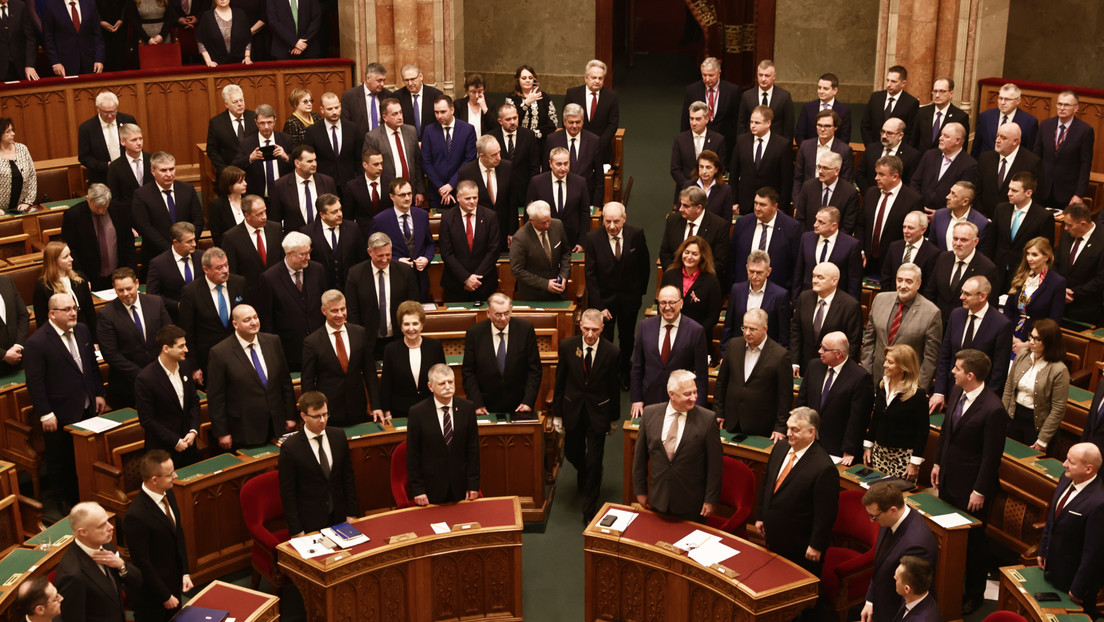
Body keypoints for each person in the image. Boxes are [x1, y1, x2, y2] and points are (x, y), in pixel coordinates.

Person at [931, 348, 1007, 614]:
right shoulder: (957, 393)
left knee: (973, 544)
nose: (952, 371)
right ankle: (947, 584)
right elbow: (947, 433)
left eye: (957, 368)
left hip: (973, 489)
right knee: (948, 537)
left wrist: (979, 490)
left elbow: (991, 456)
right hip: (949, 479)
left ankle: (974, 594)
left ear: (970, 375)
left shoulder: (994, 408)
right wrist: (938, 462)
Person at [25, 293, 106, 511]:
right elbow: (35, 382)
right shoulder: (37, 342)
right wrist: (45, 412)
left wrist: (98, 393)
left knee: (85, 455)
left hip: (87, 404)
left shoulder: (81, 330)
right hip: (59, 411)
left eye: (74, 308)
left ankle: (85, 493)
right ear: (52, 314)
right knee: (61, 458)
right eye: (67, 309)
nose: (73, 313)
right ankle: (63, 499)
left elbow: (91, 367)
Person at [756, 408, 839, 583]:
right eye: (788, 428)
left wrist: (816, 545)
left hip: (800, 545)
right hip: (774, 536)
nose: (788, 434)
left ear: (811, 432)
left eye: (795, 430)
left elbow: (825, 513)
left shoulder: (824, 467)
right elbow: (767, 485)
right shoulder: (780, 447)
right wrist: (761, 516)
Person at [554, 309, 620, 523]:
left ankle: (589, 510)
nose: (590, 334)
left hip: (598, 412)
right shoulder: (566, 346)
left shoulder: (612, 352)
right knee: (573, 452)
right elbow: (560, 382)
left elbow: (614, 388)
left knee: (594, 459)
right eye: (586, 329)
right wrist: (557, 414)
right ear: (580, 326)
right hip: (573, 410)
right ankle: (585, 470)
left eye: (595, 330)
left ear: (602, 328)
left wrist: (614, 418)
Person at [633, 370, 722, 522]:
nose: (694, 398)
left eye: (695, 392)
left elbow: (715, 464)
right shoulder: (650, 414)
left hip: (691, 504)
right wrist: (640, 491)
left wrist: (710, 499)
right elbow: (640, 457)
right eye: (687, 394)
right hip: (657, 499)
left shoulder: (707, 420)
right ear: (672, 394)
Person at [207, 304, 297, 449]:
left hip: (277, 424)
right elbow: (216, 398)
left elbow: (285, 382)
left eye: (255, 317)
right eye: (247, 320)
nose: (254, 322)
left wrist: (290, 415)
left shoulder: (273, 341)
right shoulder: (220, 352)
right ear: (235, 324)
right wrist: (222, 432)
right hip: (245, 429)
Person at [581, 201, 649, 388]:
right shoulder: (593, 238)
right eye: (608, 221)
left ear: (624, 219)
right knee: (605, 339)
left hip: (629, 299)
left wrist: (638, 294)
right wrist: (599, 305)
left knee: (627, 338)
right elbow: (591, 275)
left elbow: (644, 267)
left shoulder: (636, 234)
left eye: (616, 221)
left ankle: (624, 370)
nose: (612, 226)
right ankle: (607, 374)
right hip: (604, 301)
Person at [1038, 442, 1104, 619]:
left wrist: (1078, 588)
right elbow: (1052, 519)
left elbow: (1093, 553)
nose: (1064, 464)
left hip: (1074, 581)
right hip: (1052, 568)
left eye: (1071, 462)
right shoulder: (1065, 478)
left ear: (1089, 469)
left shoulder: (1099, 503)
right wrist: (1043, 549)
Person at [125, 450, 193, 622]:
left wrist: (185, 571)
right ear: (154, 480)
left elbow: (178, 533)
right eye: (170, 474)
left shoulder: (168, 493)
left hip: (173, 582)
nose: (175, 476)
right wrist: (164, 595)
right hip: (153, 596)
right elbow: (143, 562)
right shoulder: (136, 515)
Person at [279, 391, 359, 534]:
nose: (322, 420)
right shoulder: (291, 447)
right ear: (303, 416)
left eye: (325, 414)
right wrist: (296, 530)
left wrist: (352, 513)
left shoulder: (338, 436)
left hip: (340, 516)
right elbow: (288, 493)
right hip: (310, 523)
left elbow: (348, 477)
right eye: (316, 416)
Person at [860, 483, 939, 622]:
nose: (872, 521)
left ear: (893, 510)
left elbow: (911, 595)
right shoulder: (889, 519)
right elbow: (880, 566)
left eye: (874, 517)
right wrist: (870, 600)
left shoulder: (917, 545)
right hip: (881, 605)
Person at [931, 276, 1013, 409]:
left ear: (982, 296)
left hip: (979, 397)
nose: (961, 297)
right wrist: (939, 391)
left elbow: (999, 371)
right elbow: (945, 356)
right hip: (952, 391)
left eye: (967, 294)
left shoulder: (1001, 325)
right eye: (962, 292)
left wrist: (985, 403)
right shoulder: (956, 315)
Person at [301, 290, 380, 426]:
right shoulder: (312, 342)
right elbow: (307, 382)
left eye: (343, 309)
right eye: (334, 311)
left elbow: (370, 373)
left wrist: (376, 405)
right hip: (329, 412)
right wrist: (312, 414)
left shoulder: (359, 333)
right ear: (323, 311)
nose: (340, 314)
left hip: (358, 408)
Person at [407, 364, 481, 505]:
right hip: (431, 489)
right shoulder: (417, 412)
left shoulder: (467, 408)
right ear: (430, 386)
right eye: (442, 383)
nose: (447, 386)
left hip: (461, 487)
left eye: (450, 382)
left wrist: (473, 484)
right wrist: (417, 489)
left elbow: (473, 451)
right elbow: (413, 454)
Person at [860, 263, 942, 389]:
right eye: (900, 280)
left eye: (909, 281)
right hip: (875, 377)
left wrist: (918, 388)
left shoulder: (931, 312)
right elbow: (869, 341)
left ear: (918, 284)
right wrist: (866, 374)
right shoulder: (880, 300)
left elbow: (930, 358)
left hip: (907, 383)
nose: (903, 285)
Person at [55, 502, 141, 622]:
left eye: (107, 521)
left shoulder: (105, 545)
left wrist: (121, 565)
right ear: (83, 532)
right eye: (102, 525)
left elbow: (138, 580)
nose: (110, 527)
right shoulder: (72, 575)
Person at [98, 268, 171, 407]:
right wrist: (143, 374)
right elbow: (110, 353)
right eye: (120, 290)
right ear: (114, 288)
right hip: (127, 385)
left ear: (137, 283)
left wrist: (160, 368)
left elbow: (168, 334)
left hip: (161, 376)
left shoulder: (155, 302)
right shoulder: (107, 314)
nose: (125, 294)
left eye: (129, 288)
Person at [795, 331, 872, 464]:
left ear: (839, 354)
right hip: (808, 440)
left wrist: (849, 449)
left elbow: (858, 418)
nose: (820, 351)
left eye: (825, 349)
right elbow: (802, 401)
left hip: (837, 447)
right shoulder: (814, 366)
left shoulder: (860, 377)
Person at [630, 285, 708, 414]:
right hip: (649, 400)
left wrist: (697, 406)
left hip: (681, 401)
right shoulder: (645, 326)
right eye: (663, 303)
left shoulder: (696, 331)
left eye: (672, 302)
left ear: (681, 303)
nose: (667, 307)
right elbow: (637, 367)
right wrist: (636, 399)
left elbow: (701, 375)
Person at [461, 293, 542, 417]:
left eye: (507, 313)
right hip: (485, 406)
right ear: (488, 313)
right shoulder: (475, 333)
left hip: (520, 405)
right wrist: (477, 403)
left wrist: (528, 401)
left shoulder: (525, 329)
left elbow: (534, 369)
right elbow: (468, 372)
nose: (503, 318)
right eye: (498, 314)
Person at [715, 309, 792, 438]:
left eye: (753, 329)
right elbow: (721, 382)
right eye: (744, 328)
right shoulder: (733, 345)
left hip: (761, 425)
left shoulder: (780, 355)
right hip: (731, 421)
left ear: (765, 329)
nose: (747, 333)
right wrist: (719, 412)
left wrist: (780, 427)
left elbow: (785, 396)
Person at [344, 232, 419, 358]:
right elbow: (353, 311)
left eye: (388, 255)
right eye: (380, 255)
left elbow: (413, 305)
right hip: (368, 342)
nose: (385, 259)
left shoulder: (405, 271)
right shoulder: (355, 274)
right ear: (370, 252)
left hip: (399, 338)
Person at [257, 231, 325, 371]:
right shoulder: (269, 278)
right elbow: (267, 319)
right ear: (289, 254)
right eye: (303, 254)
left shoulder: (318, 270)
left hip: (320, 346)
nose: (308, 257)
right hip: (290, 351)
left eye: (309, 252)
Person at [135, 325, 200, 467]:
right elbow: (147, 420)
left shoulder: (185, 366)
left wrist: (193, 431)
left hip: (189, 444)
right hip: (163, 451)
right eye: (181, 346)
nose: (186, 350)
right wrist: (175, 441)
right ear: (166, 348)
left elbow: (194, 401)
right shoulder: (146, 378)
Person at [179, 246, 247, 376]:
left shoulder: (239, 283)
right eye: (219, 268)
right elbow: (188, 332)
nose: (225, 270)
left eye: (226, 265)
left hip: (239, 354)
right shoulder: (191, 292)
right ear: (206, 269)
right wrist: (193, 367)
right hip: (208, 359)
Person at [1002, 318, 1069, 450]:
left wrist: (1043, 439)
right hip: (1013, 417)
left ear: (1049, 342)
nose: (1031, 342)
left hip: (1036, 426)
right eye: (1031, 337)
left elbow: (1058, 409)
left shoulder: (1059, 370)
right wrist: (1003, 417)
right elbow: (1009, 387)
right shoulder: (1022, 355)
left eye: (1037, 339)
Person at [864, 344, 929, 479]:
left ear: (903, 367)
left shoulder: (917, 395)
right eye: (886, 360)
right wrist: (868, 446)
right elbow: (876, 417)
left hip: (903, 458)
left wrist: (914, 463)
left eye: (890, 362)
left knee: (895, 498)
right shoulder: (882, 384)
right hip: (879, 452)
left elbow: (922, 432)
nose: (885, 365)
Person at [131, 151, 206, 267]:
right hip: (157, 256)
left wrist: (187, 244)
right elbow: (144, 227)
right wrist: (172, 250)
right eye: (163, 170)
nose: (169, 174)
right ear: (153, 171)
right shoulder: (142, 195)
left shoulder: (187, 189)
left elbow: (198, 220)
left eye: (171, 169)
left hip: (188, 254)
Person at [790, 262, 863, 375]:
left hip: (833, 370)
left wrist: (841, 371)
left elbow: (853, 344)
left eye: (820, 277)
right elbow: (796, 332)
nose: (814, 280)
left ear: (834, 281)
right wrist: (794, 361)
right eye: (813, 276)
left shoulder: (850, 306)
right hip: (804, 367)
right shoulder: (804, 297)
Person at [61, 183, 136, 291]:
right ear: (88, 199)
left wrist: (130, 273)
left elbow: (128, 243)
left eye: (104, 207)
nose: (101, 211)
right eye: (97, 207)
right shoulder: (73, 216)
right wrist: (80, 277)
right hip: (89, 277)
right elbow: (71, 249)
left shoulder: (119, 210)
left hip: (118, 275)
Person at [728, 186, 800, 293]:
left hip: (776, 292)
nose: (757, 208)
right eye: (756, 203)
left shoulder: (791, 227)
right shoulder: (743, 223)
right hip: (744, 289)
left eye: (762, 205)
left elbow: (796, 264)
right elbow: (732, 258)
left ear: (775, 206)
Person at [380, 300, 445, 419]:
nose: (411, 328)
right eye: (406, 324)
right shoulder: (391, 349)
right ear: (401, 326)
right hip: (401, 412)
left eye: (415, 323)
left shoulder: (434, 346)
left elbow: (442, 378)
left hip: (430, 409)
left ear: (422, 325)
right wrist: (387, 411)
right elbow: (386, 384)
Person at [437, 180, 500, 302]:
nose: (472, 201)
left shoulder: (490, 216)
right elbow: (446, 253)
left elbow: (493, 250)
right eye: (468, 198)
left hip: (484, 283)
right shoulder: (448, 218)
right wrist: (466, 278)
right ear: (458, 197)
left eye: (475, 197)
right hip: (456, 284)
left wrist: (475, 279)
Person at [990, 172, 1055, 290]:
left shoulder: (1043, 217)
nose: (1009, 193)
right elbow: (991, 241)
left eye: (1014, 191)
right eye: (1009, 189)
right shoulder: (1001, 209)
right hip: (998, 271)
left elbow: (1045, 250)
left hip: (1024, 274)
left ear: (1028, 193)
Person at [370, 178, 433, 298]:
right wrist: (395, 261)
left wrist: (426, 258)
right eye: (402, 195)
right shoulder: (380, 220)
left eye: (409, 194)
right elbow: (372, 250)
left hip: (420, 279)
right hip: (394, 278)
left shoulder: (422, 215)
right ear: (392, 196)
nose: (408, 198)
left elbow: (429, 244)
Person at [860, 155, 924, 271]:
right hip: (866, 260)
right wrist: (861, 250)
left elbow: (912, 234)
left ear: (895, 176)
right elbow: (861, 225)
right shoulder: (871, 193)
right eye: (876, 173)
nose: (876, 178)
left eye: (881, 174)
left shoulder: (913, 200)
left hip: (894, 263)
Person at [924, 221, 999, 320]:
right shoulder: (943, 258)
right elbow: (930, 292)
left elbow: (989, 306)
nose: (958, 243)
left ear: (975, 242)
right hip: (938, 321)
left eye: (964, 240)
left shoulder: (987, 268)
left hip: (964, 324)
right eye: (955, 239)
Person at [728, 105, 794, 214]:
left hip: (770, 205)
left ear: (768, 123)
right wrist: (733, 201)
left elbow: (786, 181)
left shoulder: (782, 145)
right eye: (751, 122)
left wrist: (781, 206)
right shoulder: (741, 141)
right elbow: (733, 174)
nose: (752, 126)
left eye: (757, 123)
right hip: (744, 203)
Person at [1034, 90, 1095, 208]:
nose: (1062, 108)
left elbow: (1085, 164)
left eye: (1066, 105)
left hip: (1067, 192)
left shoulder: (1085, 131)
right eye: (1059, 104)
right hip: (1043, 189)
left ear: (1076, 108)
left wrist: (1079, 194)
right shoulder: (1045, 125)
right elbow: (1036, 156)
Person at [1003, 237, 1066, 350]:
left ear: (1046, 257)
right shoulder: (1020, 276)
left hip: (1036, 341)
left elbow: (1053, 321)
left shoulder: (1057, 282)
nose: (1029, 258)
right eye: (1028, 254)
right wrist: (1011, 337)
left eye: (1034, 255)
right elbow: (1008, 309)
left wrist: (1028, 344)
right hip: (1012, 336)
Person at [721, 250, 790, 351]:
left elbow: (783, 335)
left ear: (768, 271)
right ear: (746, 268)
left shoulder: (780, 295)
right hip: (738, 351)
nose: (754, 276)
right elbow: (728, 326)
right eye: (751, 271)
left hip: (767, 354)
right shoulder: (736, 290)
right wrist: (725, 352)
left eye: (759, 272)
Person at [659, 186, 729, 285]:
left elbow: (719, 262)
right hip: (674, 282)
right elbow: (665, 252)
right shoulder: (673, 220)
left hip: (703, 284)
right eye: (681, 204)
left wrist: (694, 278)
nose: (680, 209)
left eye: (686, 206)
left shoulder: (719, 226)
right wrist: (675, 276)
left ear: (699, 208)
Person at [362, 98, 425, 206]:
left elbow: (417, 163)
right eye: (395, 114)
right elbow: (370, 168)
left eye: (400, 112)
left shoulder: (411, 131)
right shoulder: (373, 137)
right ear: (385, 117)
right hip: (387, 194)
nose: (400, 117)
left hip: (409, 192)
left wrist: (420, 191)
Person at [222, 194, 284, 302]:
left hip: (277, 293)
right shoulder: (232, 237)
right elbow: (232, 272)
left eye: (265, 211)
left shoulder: (276, 229)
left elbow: (282, 260)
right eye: (259, 214)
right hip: (250, 296)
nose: (264, 216)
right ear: (247, 215)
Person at [973, 122, 1042, 218]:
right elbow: (977, 191)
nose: (997, 140)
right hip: (985, 218)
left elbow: (1033, 197)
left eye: (1003, 138)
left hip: (1013, 219)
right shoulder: (986, 158)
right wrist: (982, 217)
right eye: (997, 136)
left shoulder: (1031, 162)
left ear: (1015, 141)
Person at [456, 134, 515, 248]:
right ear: (481, 155)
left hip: (502, 231)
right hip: (478, 233)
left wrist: (512, 232)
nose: (499, 157)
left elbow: (512, 201)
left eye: (499, 152)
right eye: (494, 155)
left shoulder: (507, 167)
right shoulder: (466, 172)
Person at [526, 147, 590, 250]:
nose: (563, 168)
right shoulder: (537, 182)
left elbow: (585, 214)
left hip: (572, 239)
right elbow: (529, 214)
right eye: (559, 164)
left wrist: (582, 242)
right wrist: (533, 241)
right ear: (550, 164)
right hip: (544, 238)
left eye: (566, 163)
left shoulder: (580, 182)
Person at [660, 236, 721, 344]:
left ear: (702, 257)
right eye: (686, 252)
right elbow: (661, 303)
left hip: (698, 338)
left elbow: (713, 316)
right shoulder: (670, 274)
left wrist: (694, 333)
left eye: (695, 254)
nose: (689, 257)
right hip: (671, 335)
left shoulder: (711, 281)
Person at [793, 205, 863, 299]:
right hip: (807, 298)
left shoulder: (851, 245)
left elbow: (854, 281)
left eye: (821, 222)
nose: (815, 224)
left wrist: (850, 308)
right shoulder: (806, 238)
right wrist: (795, 300)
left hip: (836, 302)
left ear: (834, 226)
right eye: (816, 220)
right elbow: (799, 272)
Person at [422, 94, 478, 209]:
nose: (439, 116)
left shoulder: (468, 130)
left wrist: (451, 185)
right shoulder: (429, 131)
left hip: (461, 191)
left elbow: (469, 160)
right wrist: (442, 188)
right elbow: (426, 162)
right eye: (436, 112)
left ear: (452, 110)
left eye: (443, 111)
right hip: (437, 192)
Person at [510, 200, 571, 301]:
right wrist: (545, 284)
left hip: (558, 293)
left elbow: (566, 252)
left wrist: (564, 275)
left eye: (549, 220)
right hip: (533, 296)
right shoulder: (520, 238)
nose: (547, 225)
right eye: (543, 223)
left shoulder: (558, 225)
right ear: (531, 220)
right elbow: (517, 270)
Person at [302, 193, 366, 291]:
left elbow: (361, 258)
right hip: (321, 289)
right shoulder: (307, 232)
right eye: (334, 212)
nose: (339, 214)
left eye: (340, 209)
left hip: (349, 288)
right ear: (322, 215)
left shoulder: (353, 228)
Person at [909, 122, 977, 213]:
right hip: (920, 211)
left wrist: (940, 214)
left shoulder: (969, 164)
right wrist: (919, 207)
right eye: (941, 135)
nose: (940, 138)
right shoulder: (929, 155)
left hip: (946, 216)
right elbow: (915, 181)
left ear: (958, 141)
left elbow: (961, 197)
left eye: (946, 136)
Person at [33, 241, 97, 336]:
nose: (71, 259)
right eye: (65, 257)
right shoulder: (42, 287)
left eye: (70, 255)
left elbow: (90, 312)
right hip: (58, 336)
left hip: (83, 333)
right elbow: (42, 321)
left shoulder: (80, 279)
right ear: (54, 261)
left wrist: (95, 340)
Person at [232, 104, 294, 200]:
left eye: (269, 122)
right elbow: (235, 166)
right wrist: (250, 158)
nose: (266, 127)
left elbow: (299, 163)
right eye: (262, 123)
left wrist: (286, 157)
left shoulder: (286, 139)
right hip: (257, 197)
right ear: (256, 123)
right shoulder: (246, 143)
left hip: (284, 195)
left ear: (275, 121)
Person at [545, 103, 603, 206]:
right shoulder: (552, 140)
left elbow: (599, 178)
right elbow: (546, 171)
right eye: (571, 122)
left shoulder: (593, 141)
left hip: (585, 197)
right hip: (558, 196)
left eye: (578, 122)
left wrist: (596, 206)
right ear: (564, 122)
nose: (574, 126)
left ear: (583, 121)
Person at [1055, 203, 1104, 325]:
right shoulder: (1067, 235)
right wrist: (1060, 290)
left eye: (1069, 225)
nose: (1065, 228)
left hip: (1085, 311)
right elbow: (1055, 263)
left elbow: (1101, 279)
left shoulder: (1101, 241)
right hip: (1058, 305)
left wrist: (1073, 294)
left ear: (1083, 224)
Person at [271, 144, 338, 234]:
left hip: (323, 238)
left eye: (315, 160)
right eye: (309, 161)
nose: (314, 164)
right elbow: (275, 219)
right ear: (297, 163)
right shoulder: (280, 185)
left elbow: (335, 211)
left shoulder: (327, 182)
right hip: (295, 241)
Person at [563, 59, 619, 163]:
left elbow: (613, 124)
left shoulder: (611, 97)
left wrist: (598, 145)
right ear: (586, 78)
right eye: (594, 77)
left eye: (600, 78)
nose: (597, 81)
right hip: (575, 148)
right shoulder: (572, 94)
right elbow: (565, 120)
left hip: (601, 150)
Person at [304, 92, 363, 189]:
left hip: (350, 183)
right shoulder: (312, 131)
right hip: (323, 184)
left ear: (340, 106)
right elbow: (310, 159)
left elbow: (359, 158)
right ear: (322, 110)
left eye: (336, 107)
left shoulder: (353, 129)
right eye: (330, 109)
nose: (334, 112)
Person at [680, 56, 740, 151]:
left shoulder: (732, 91)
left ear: (719, 73)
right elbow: (685, 120)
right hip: (699, 142)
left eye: (711, 75)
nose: (707, 79)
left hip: (725, 143)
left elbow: (737, 120)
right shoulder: (692, 90)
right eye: (704, 75)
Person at [793, 151, 860, 234]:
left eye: (825, 168)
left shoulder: (849, 192)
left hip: (835, 243)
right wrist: (808, 240)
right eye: (819, 167)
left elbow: (848, 226)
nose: (820, 171)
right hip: (809, 239)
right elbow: (800, 219)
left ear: (837, 171)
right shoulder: (808, 186)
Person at [792, 109, 853, 199]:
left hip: (831, 199)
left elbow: (846, 181)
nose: (822, 129)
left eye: (827, 126)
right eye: (819, 125)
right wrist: (797, 203)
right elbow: (798, 178)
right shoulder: (805, 146)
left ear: (835, 127)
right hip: (807, 197)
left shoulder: (844, 150)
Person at [147, 222, 202, 320]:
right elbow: (152, 295)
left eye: (194, 239)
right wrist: (178, 305)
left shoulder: (202, 257)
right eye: (189, 241)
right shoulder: (158, 264)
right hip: (175, 318)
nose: (194, 244)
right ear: (176, 242)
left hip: (203, 316)